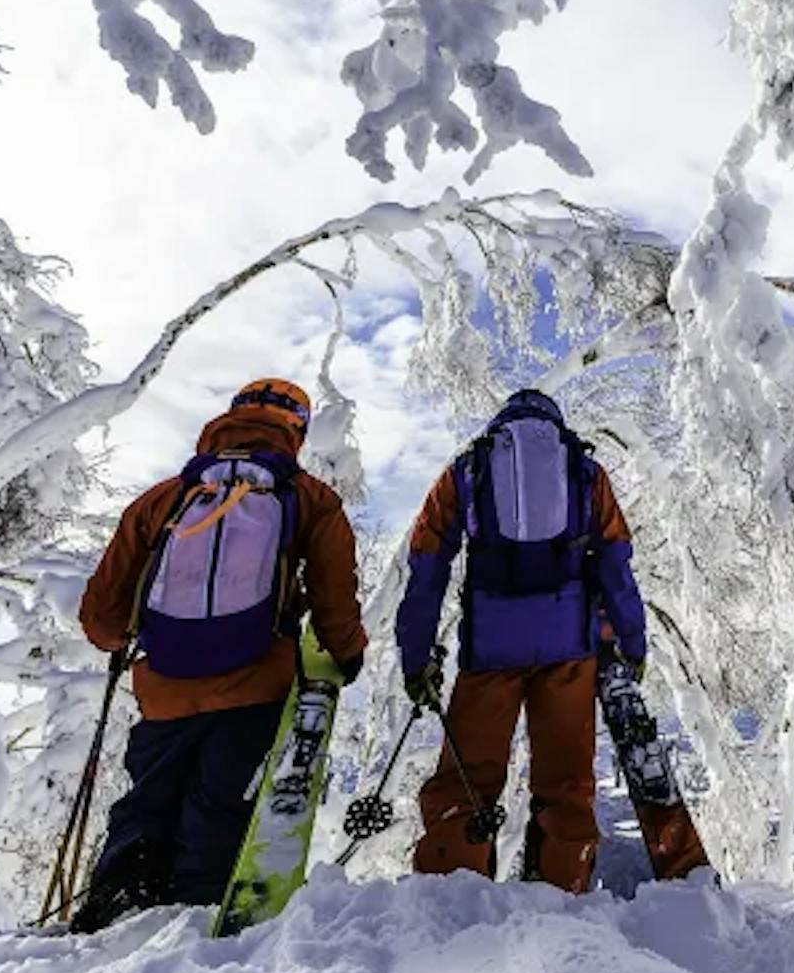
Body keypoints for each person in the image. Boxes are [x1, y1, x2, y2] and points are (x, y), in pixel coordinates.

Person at [72, 379, 367, 932]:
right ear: (297, 430)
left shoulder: (165, 497)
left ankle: (110, 919)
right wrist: (347, 655)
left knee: (147, 803)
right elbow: (335, 598)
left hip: (164, 686)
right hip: (257, 681)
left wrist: (122, 644)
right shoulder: (309, 497)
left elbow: (102, 617)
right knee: (220, 807)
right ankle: (193, 931)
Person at [395, 387, 646, 891]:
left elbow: (425, 565)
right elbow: (617, 563)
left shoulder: (468, 470)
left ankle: (452, 891)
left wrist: (416, 656)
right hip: (568, 650)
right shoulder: (584, 471)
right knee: (567, 781)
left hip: (491, 648)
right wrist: (632, 644)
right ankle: (561, 887)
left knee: (467, 778)